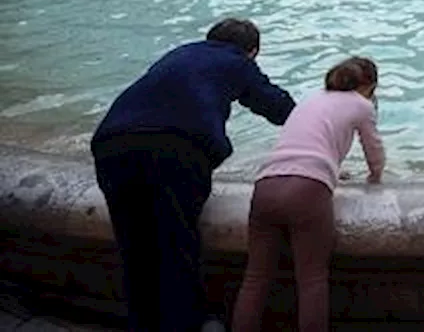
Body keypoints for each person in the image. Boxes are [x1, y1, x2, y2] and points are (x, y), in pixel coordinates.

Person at [91, 19, 296, 332]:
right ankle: (186, 324)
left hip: (111, 145)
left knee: (135, 250)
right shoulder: (238, 62)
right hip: (176, 149)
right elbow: (275, 106)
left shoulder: (180, 53)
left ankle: (141, 325)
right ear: (252, 52)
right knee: (177, 244)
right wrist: (316, 120)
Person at [231, 57, 384, 332]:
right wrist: (375, 178)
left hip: (266, 184)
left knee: (255, 278)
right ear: (369, 86)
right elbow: (374, 151)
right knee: (312, 280)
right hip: (308, 190)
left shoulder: (312, 99)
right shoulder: (362, 105)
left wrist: (335, 170)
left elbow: (306, 143)